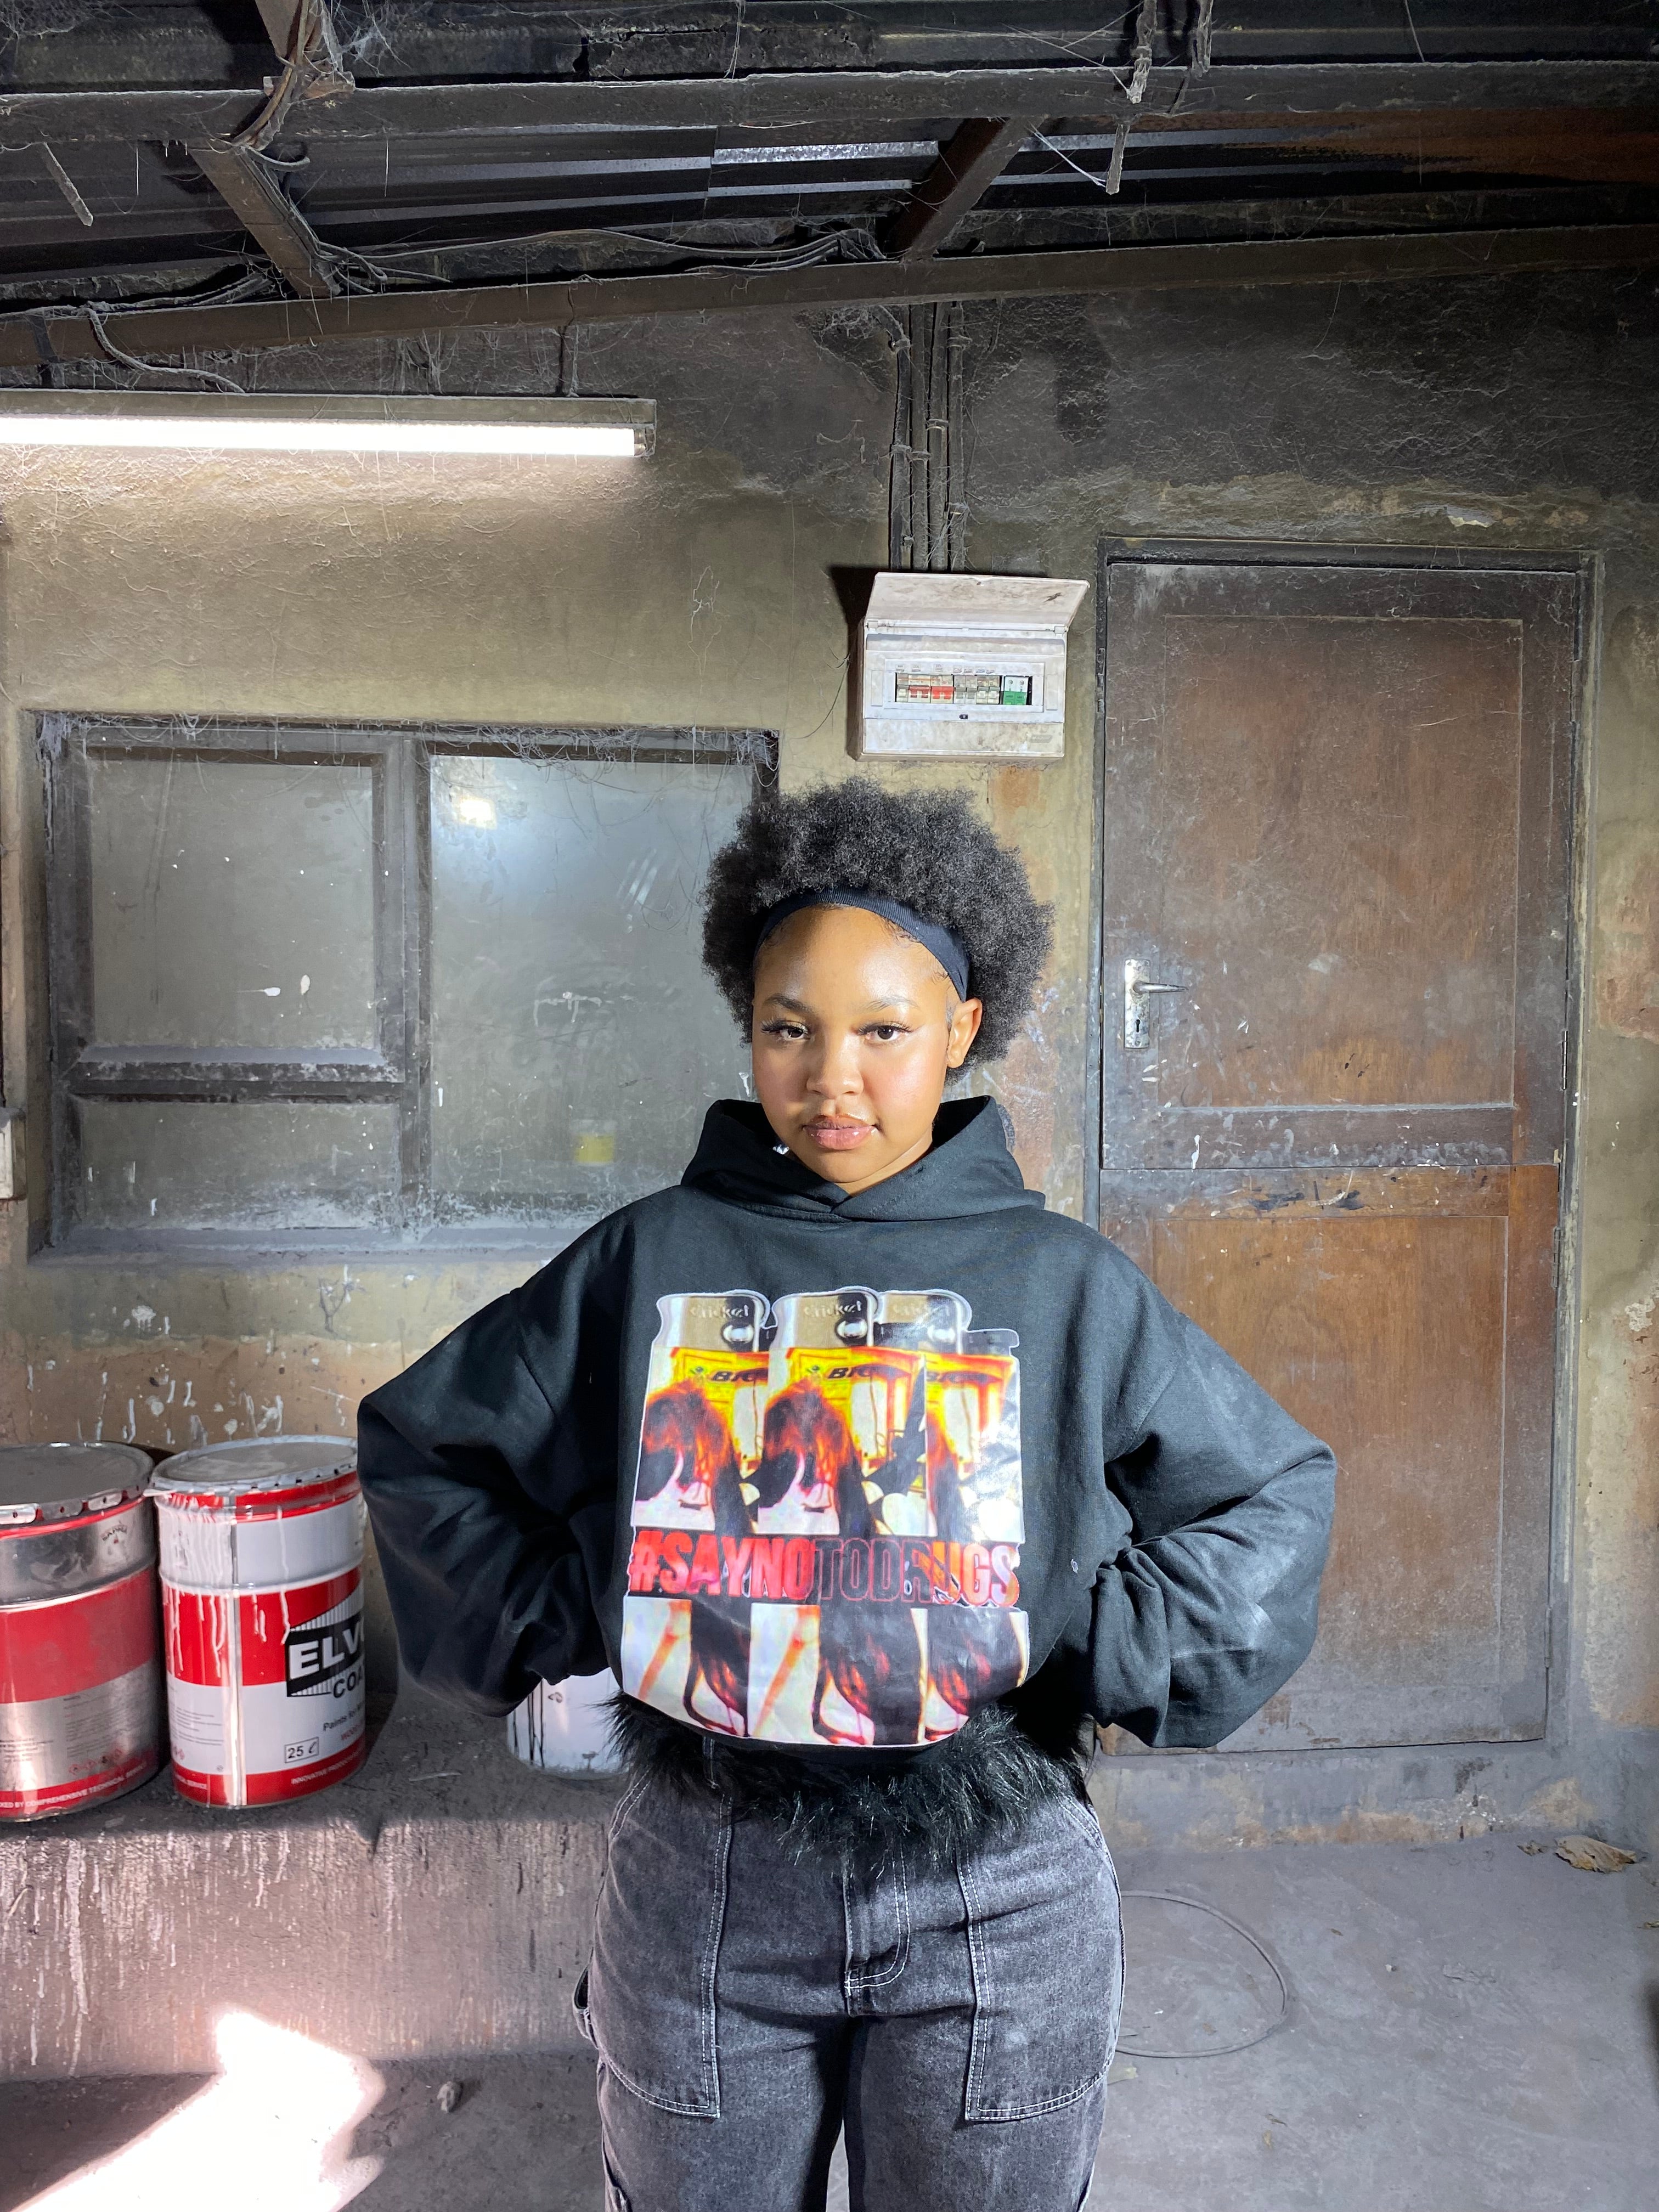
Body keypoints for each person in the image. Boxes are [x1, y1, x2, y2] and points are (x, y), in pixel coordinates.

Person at [358, 777, 1335, 2212]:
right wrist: (592, 1602)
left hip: (996, 1894)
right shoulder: (651, 1258)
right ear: (746, 1028)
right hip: (709, 1880)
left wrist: (1082, 1629)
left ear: (963, 1028)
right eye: (788, 1029)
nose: (834, 1080)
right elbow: (425, 1445)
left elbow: (1272, 1496)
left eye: (885, 1031)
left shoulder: (1064, 1283)